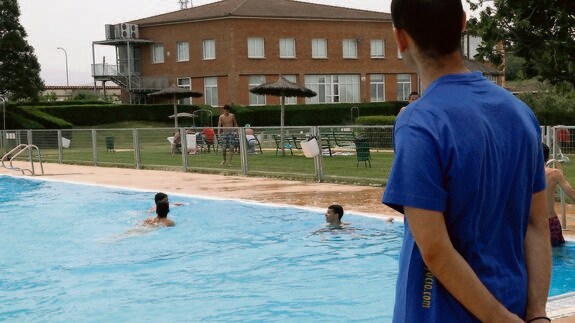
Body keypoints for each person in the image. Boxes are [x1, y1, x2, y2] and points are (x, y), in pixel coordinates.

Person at [382, 0, 550, 322]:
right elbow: (535, 223)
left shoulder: (419, 122)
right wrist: (537, 313)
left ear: (400, 38)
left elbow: (434, 248)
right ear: (462, 23)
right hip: (515, 305)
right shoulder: (520, 114)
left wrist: (497, 318)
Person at [543, 143, 573, 246]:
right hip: (550, 222)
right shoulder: (554, 174)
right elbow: (572, 195)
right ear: (547, 157)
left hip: (529, 223)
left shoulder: (524, 173)